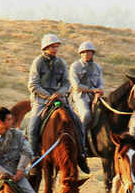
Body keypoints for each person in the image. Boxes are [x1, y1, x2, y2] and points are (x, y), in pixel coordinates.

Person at [25, 34, 89, 173]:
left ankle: (82, 154)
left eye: (56, 47)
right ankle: (33, 157)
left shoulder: (61, 63)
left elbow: (67, 83)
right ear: (46, 47)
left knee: (78, 122)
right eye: (53, 47)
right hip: (41, 100)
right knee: (32, 126)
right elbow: (33, 85)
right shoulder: (37, 62)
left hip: (59, 99)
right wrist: (48, 96)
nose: (55, 49)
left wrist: (59, 93)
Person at [68, 41, 104, 153]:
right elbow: (76, 86)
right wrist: (92, 90)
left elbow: (100, 83)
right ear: (80, 54)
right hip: (80, 97)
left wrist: (99, 91)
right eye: (84, 52)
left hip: (95, 97)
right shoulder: (75, 66)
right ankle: (81, 143)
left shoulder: (97, 67)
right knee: (86, 115)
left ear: (93, 53)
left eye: (89, 52)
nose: (86, 54)